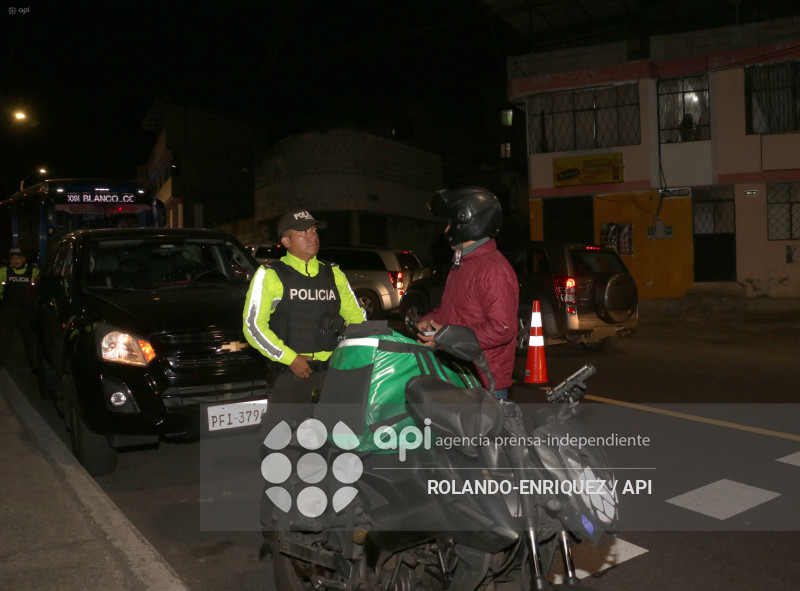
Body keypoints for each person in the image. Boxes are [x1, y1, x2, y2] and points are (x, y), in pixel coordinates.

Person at [415, 187, 519, 399]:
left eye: (450, 222)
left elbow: (502, 328)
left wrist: (446, 337)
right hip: (461, 375)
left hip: (485, 381)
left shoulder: (493, 268)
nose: (446, 229)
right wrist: (431, 320)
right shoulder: (464, 263)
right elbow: (454, 310)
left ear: (465, 222)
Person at [0, 248, 40, 372]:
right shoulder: (3, 271)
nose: (15, 260)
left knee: (30, 340)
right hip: (8, 310)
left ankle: (35, 365)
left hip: (26, 312)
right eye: (13, 258)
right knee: (3, 340)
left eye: (18, 257)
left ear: (24, 259)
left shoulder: (34, 271)